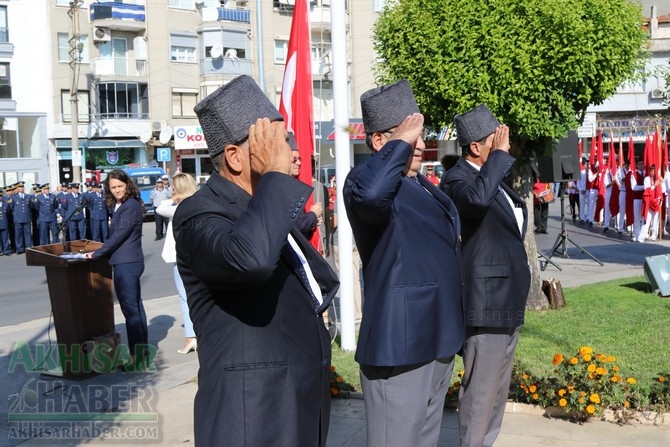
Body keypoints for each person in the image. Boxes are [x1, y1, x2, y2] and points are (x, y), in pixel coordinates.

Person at [172, 75, 339, 447]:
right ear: (234, 156)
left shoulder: (261, 205)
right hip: (254, 412)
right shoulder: (200, 213)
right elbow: (250, 261)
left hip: (294, 401)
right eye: (275, 144)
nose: (288, 153)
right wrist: (278, 176)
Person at [343, 80, 464, 447]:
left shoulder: (421, 184)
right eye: (410, 135)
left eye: (421, 134)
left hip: (438, 335)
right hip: (402, 341)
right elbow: (374, 195)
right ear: (380, 142)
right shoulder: (362, 182)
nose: (421, 143)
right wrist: (401, 142)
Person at [439, 104, 531, 447]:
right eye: (496, 139)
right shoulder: (458, 179)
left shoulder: (493, 180)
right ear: (475, 147)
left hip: (506, 298)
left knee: (496, 391)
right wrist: (499, 159)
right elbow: (475, 202)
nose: (504, 144)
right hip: (486, 301)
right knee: (480, 392)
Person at [85, 170, 149, 370]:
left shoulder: (129, 206)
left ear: (127, 185)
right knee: (136, 309)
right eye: (113, 187)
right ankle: (141, 355)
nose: (117, 190)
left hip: (127, 264)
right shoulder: (124, 205)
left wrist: (97, 254)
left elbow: (120, 235)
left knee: (131, 312)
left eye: (120, 186)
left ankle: (136, 358)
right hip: (127, 262)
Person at [155, 173, 199, 354]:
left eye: (174, 188)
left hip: (179, 258)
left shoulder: (178, 208)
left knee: (184, 297)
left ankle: (190, 337)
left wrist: (173, 198)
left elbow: (159, 208)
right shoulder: (197, 205)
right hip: (195, 256)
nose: (172, 191)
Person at [8, 181, 33, 254]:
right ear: (17, 188)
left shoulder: (28, 196)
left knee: (28, 233)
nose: (21, 188)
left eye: (22, 187)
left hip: (27, 218)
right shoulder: (13, 197)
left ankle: (28, 247)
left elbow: (30, 206)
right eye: (20, 187)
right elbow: (11, 207)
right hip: (18, 219)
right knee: (18, 235)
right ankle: (19, 248)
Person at [0, 186, 11, 255]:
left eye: (0, 196)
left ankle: (6, 250)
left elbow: (8, 211)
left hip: (4, 222)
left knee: (5, 237)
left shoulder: (5, 201)